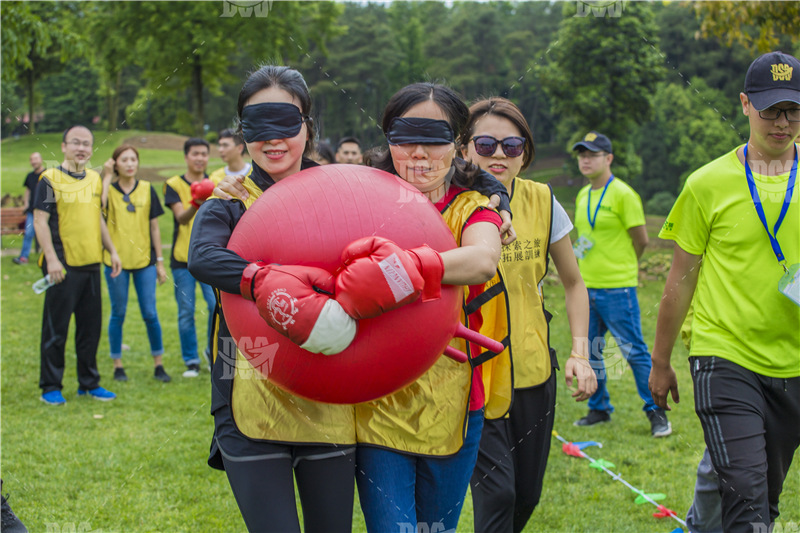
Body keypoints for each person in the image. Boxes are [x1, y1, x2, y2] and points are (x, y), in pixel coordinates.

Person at [189, 65, 359, 533]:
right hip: (245, 390)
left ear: (309, 125)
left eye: (286, 123)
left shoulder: (345, 191)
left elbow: (425, 171)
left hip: (328, 395)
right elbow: (202, 257)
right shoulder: (229, 200)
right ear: (243, 134)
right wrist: (267, 281)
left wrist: (494, 196)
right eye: (256, 125)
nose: (273, 139)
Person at [649, 50, 800, 532]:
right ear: (744, 105)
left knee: (765, 496)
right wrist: (660, 360)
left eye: (794, 110)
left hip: (793, 361)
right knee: (748, 497)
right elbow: (679, 281)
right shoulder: (706, 184)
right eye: (770, 109)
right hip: (724, 354)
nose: (783, 121)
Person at [351, 82, 506, 533]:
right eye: (405, 137)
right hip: (378, 396)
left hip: (455, 397)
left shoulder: (475, 207)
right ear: (389, 141)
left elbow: (481, 260)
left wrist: (399, 272)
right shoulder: (360, 199)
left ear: (457, 145)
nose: (419, 152)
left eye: (434, 138)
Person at [461, 97, 596, 533]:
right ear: (465, 148)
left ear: (525, 152)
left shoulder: (543, 200)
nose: (499, 154)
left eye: (512, 145)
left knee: (526, 494)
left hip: (536, 374)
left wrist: (581, 352)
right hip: (474, 376)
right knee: (497, 493)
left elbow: (574, 283)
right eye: (485, 144)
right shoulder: (450, 203)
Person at [571, 131, 671, 438]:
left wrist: (625, 267)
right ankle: (599, 409)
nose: (586, 160)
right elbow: (583, 241)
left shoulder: (624, 194)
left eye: (593, 155)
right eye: (582, 155)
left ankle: (656, 414)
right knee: (592, 351)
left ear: (608, 158)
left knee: (633, 351)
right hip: (586, 288)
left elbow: (641, 240)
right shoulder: (583, 195)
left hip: (618, 288)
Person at [33, 125, 121, 405]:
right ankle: (50, 386)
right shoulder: (49, 178)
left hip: (92, 264)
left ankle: (89, 383)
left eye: (86, 144)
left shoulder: (94, 179)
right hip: (62, 265)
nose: (81, 148)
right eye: (75, 143)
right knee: (56, 329)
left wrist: (113, 251)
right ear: (63, 146)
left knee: (90, 329)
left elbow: (97, 219)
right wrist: (52, 259)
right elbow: (39, 221)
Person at [100, 145, 170, 383]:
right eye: (124, 160)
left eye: (133, 159)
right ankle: (117, 365)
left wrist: (159, 262)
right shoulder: (108, 190)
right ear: (115, 163)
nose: (130, 164)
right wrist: (106, 175)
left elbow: (154, 228)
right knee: (117, 313)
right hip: (115, 262)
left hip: (145, 262)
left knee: (150, 313)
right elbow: (97, 209)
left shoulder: (148, 190)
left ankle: (159, 365)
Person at [163, 138, 217, 378]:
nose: (200, 158)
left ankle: (211, 352)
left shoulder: (216, 183)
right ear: (186, 157)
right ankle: (191, 361)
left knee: (216, 306)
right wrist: (196, 202)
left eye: (204, 154)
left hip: (209, 256)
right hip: (182, 259)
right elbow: (181, 218)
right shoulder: (173, 184)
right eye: (195, 154)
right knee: (186, 310)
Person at [13, 152, 45, 265]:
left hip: (44, 212)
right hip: (32, 211)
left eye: (36, 159)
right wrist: (26, 204)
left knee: (46, 233)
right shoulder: (30, 176)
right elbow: (28, 190)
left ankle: (47, 257)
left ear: (41, 160)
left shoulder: (47, 174)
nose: (34, 161)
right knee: (28, 233)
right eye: (32, 159)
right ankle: (23, 257)